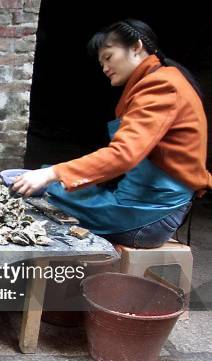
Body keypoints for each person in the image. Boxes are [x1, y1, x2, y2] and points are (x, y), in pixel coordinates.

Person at [11, 18, 211, 248]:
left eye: (108, 57)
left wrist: (53, 174)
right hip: (137, 202)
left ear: (136, 47)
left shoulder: (162, 86)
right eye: (101, 62)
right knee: (32, 179)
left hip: (148, 216)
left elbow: (123, 154)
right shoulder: (157, 81)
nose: (105, 67)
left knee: (28, 188)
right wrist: (52, 175)